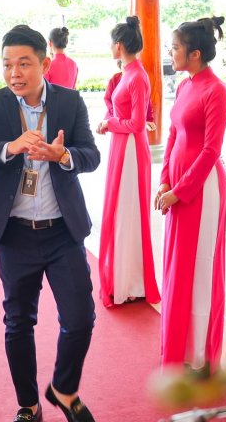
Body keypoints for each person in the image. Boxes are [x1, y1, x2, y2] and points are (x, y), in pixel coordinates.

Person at [0, 24, 101, 422]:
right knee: (19, 323)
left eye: (23, 63)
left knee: (80, 319)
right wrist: (10, 147)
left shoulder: (70, 102)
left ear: (45, 64)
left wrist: (62, 156)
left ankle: (63, 388)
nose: (14, 73)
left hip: (63, 232)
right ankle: (29, 404)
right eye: (7, 65)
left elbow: (91, 156)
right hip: (15, 234)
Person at [155, 16, 226, 370]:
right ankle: (179, 346)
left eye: (175, 48)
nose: (170, 53)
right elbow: (173, 134)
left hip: (202, 190)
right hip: (178, 185)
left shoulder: (215, 91)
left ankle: (199, 355)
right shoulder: (186, 85)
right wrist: (165, 181)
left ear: (195, 53)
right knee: (178, 266)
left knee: (199, 269)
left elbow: (211, 150)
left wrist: (181, 190)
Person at [95, 16, 160, 308]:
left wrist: (109, 123)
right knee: (123, 211)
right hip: (123, 145)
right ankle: (124, 278)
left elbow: (136, 123)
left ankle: (131, 281)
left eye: (111, 43)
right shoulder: (128, 74)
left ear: (119, 45)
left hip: (131, 148)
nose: (110, 47)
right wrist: (110, 120)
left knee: (128, 212)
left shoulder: (137, 76)